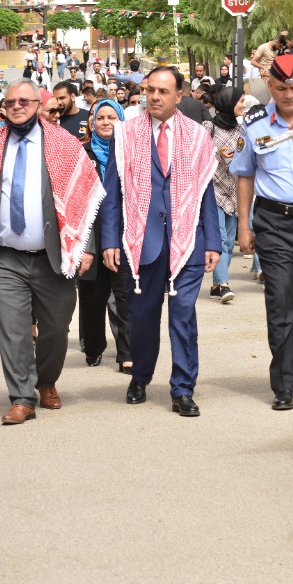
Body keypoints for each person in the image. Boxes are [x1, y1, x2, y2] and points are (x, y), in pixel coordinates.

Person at [0, 80, 104, 425]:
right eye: (10, 102)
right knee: (13, 330)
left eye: (25, 101)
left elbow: (84, 199)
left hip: (53, 257)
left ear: (39, 104)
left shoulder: (64, 145)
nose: (17, 106)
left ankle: (46, 380)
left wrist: (88, 248)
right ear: (3, 108)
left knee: (55, 329)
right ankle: (22, 397)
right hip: (5, 258)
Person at [100, 66, 221, 416]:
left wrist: (212, 240)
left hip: (187, 242)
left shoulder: (198, 136)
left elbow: (204, 192)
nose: (154, 96)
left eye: (163, 91)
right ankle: (139, 376)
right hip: (143, 242)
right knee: (141, 316)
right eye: (150, 90)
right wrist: (110, 240)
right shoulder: (125, 134)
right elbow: (113, 193)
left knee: (183, 317)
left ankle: (183, 389)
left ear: (179, 96)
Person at [231, 54, 293, 409]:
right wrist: (243, 225)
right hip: (274, 221)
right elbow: (245, 175)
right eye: (280, 88)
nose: (288, 95)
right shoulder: (254, 123)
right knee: (280, 300)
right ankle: (284, 382)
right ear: (268, 86)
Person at [77, 98, 132, 371]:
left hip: (122, 233)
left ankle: (126, 353)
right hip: (88, 234)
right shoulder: (82, 153)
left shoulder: (130, 153)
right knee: (92, 296)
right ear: (92, 122)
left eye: (112, 117)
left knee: (124, 295)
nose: (106, 122)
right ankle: (94, 347)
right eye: (100, 118)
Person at [204, 86, 246, 304]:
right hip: (213, 190)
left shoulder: (242, 129)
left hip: (235, 190)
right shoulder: (208, 127)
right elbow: (198, 153)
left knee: (229, 242)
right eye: (240, 102)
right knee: (219, 238)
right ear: (228, 103)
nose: (243, 106)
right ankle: (223, 284)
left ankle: (215, 284)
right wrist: (216, 152)